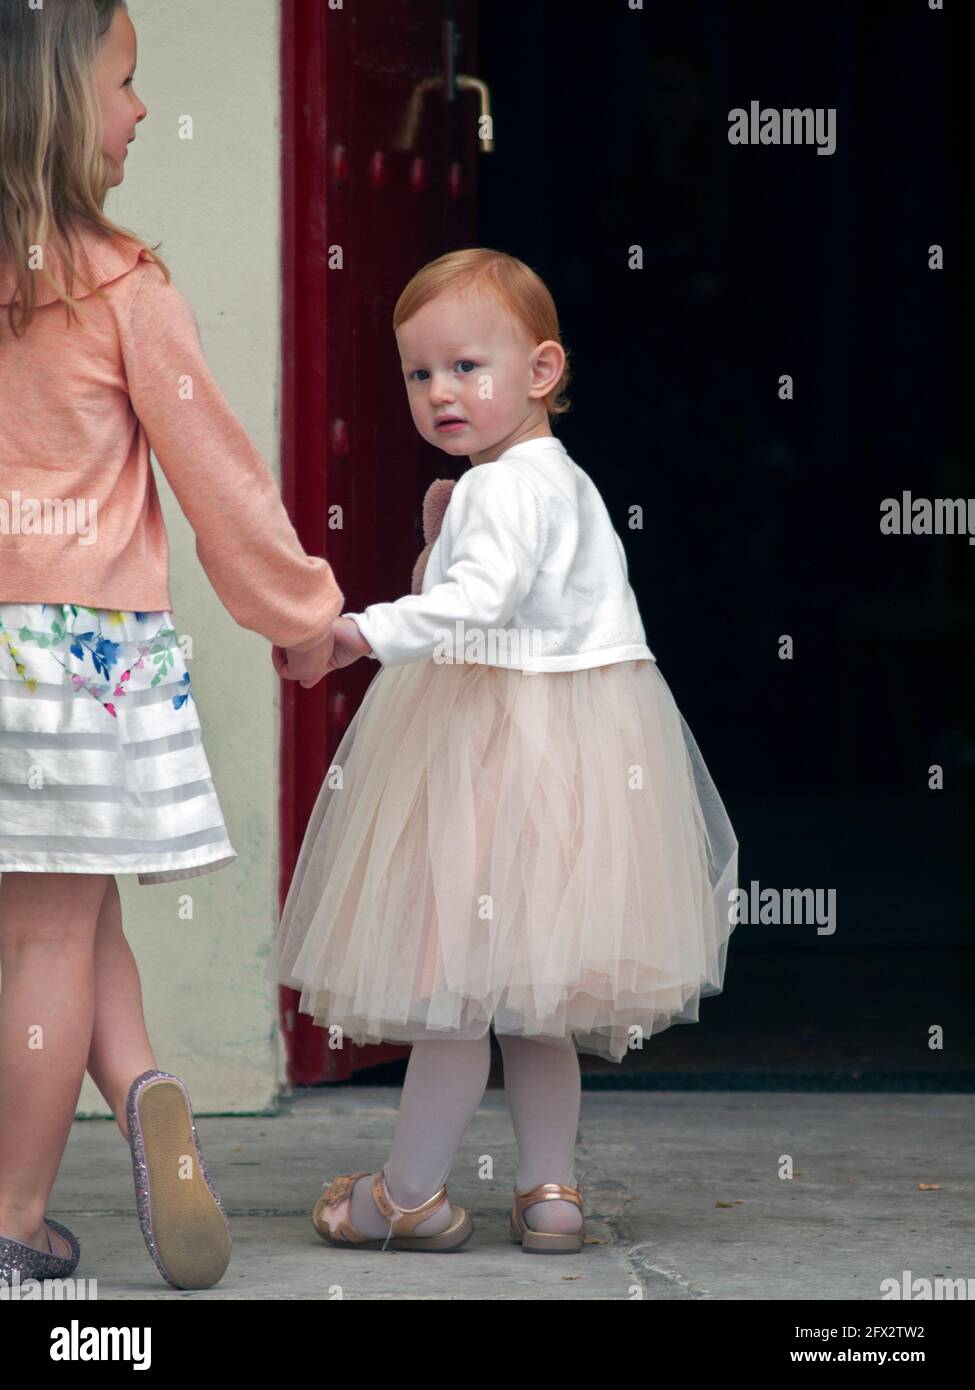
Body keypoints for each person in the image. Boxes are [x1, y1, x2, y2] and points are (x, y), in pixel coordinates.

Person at [267, 247, 740, 1255]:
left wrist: (358, 630)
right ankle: (550, 1193)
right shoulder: (548, 478)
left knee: (454, 990)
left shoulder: (503, 489)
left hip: (493, 751)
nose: (441, 392)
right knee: (534, 1000)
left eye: (467, 368)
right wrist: (444, 529)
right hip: (578, 753)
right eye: (420, 373)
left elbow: (476, 606)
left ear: (541, 371)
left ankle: (407, 1194)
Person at [0, 0, 342, 1289]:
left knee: (61, 915)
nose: (144, 109)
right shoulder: (124, 285)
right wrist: (304, 617)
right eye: (126, 83)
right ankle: (15, 1219)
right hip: (82, 668)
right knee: (47, 929)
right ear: (52, 101)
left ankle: (141, 1077)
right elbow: (221, 483)